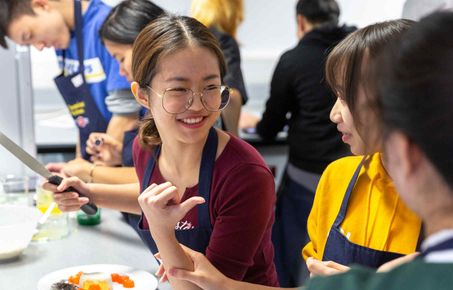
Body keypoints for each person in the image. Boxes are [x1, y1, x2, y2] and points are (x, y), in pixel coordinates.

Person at [159, 11, 453, 290]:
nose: (334, 114)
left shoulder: (434, 199)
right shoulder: (338, 178)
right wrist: (223, 284)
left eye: (346, 98)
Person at [44, 14, 279, 289]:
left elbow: (199, 287)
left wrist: (161, 229)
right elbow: (153, 196)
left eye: (211, 87)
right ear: (142, 95)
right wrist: (89, 192)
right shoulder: (146, 147)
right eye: (179, 89)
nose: (197, 104)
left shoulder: (244, 176)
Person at [241, 0, 353, 286]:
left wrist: (250, 122)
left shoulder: (294, 58)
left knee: (293, 252)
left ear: (300, 22)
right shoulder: (357, 54)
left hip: (306, 176)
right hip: (353, 172)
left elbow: (270, 125)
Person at [48, 0, 165, 185]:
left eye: (121, 58)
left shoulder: (174, 107)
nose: (120, 71)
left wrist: (90, 172)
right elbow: (150, 168)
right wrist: (120, 155)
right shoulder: (153, 105)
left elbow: (159, 182)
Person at [191, 0, 248, 136]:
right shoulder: (224, 41)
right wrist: (234, 141)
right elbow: (231, 96)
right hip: (214, 135)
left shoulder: (189, 40)